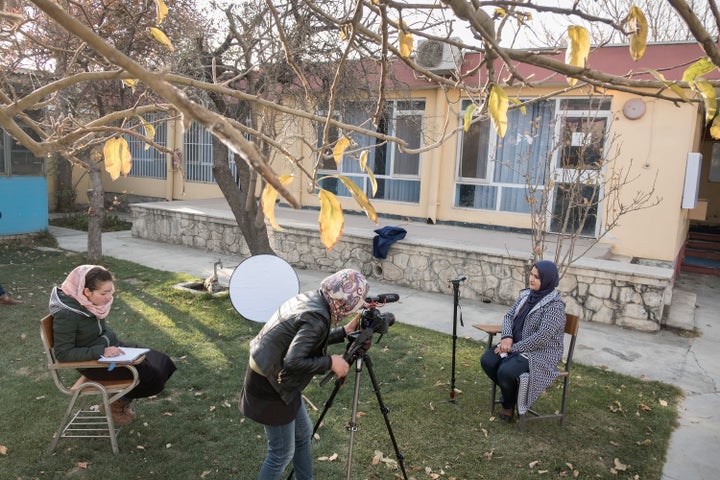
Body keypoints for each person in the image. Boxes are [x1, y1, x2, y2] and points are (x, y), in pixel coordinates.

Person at [239, 268, 369, 480]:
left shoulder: (316, 298)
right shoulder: (318, 317)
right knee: (281, 453)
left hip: (273, 374)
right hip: (271, 384)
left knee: (302, 434)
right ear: (344, 301)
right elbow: (294, 361)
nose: (350, 310)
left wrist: (343, 331)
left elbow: (305, 338)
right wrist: (330, 362)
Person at [48, 265, 177, 425]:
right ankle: (116, 404)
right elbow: (63, 354)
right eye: (104, 293)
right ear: (87, 291)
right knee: (151, 375)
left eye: (111, 291)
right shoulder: (67, 315)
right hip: (93, 364)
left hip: (106, 352)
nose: (109, 297)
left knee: (162, 361)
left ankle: (118, 399)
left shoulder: (88, 303)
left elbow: (105, 331)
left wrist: (107, 344)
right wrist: (102, 349)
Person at [480, 260, 566, 422]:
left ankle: (508, 406)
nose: (531, 279)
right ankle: (512, 395)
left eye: (537, 277)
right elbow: (509, 317)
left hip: (540, 352)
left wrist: (511, 349)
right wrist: (506, 337)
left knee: (505, 371)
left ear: (547, 280)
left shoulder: (555, 307)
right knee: (488, 360)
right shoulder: (526, 295)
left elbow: (541, 338)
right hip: (516, 343)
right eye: (531, 274)